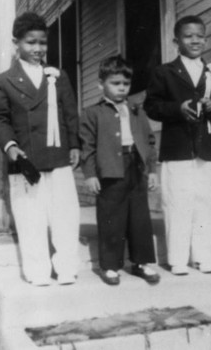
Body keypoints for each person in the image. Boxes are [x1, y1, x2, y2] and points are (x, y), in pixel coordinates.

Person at [0, 12, 80, 286]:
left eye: (42, 43)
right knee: (31, 217)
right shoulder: (5, 80)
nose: (38, 49)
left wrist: (74, 144)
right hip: (26, 158)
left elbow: (70, 113)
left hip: (58, 155)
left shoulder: (57, 76)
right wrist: (10, 146)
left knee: (65, 214)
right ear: (16, 42)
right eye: (31, 42)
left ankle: (66, 268)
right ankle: (38, 272)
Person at [144, 15, 211, 276]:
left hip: (204, 149)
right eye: (188, 36)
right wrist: (177, 108)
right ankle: (178, 259)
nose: (195, 40)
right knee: (177, 201)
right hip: (177, 148)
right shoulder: (165, 72)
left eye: (199, 36)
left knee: (203, 201)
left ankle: (204, 258)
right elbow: (152, 106)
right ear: (176, 41)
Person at [79, 55, 160, 286]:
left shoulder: (136, 110)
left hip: (136, 165)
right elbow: (87, 147)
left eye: (125, 84)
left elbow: (149, 141)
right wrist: (90, 174)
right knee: (111, 218)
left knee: (139, 216)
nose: (121, 88)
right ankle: (110, 265)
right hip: (109, 169)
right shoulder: (93, 113)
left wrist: (152, 170)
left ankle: (141, 262)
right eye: (115, 83)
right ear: (101, 85)